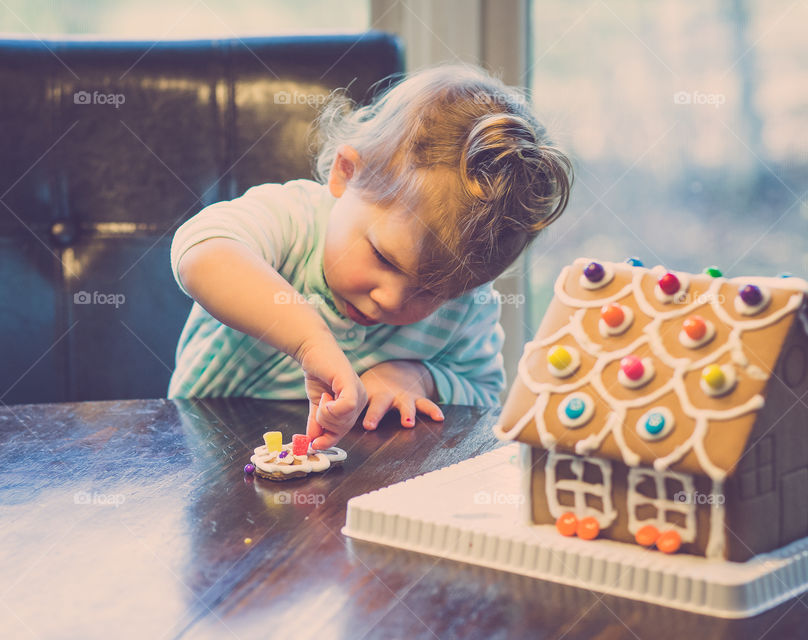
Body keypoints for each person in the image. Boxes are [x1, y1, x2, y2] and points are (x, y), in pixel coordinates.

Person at [168, 65, 573, 449]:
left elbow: (483, 394)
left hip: (353, 481)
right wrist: (310, 342)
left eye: (432, 291)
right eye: (384, 258)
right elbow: (202, 253)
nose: (392, 300)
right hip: (207, 451)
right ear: (346, 173)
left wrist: (417, 377)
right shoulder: (291, 219)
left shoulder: (465, 300)